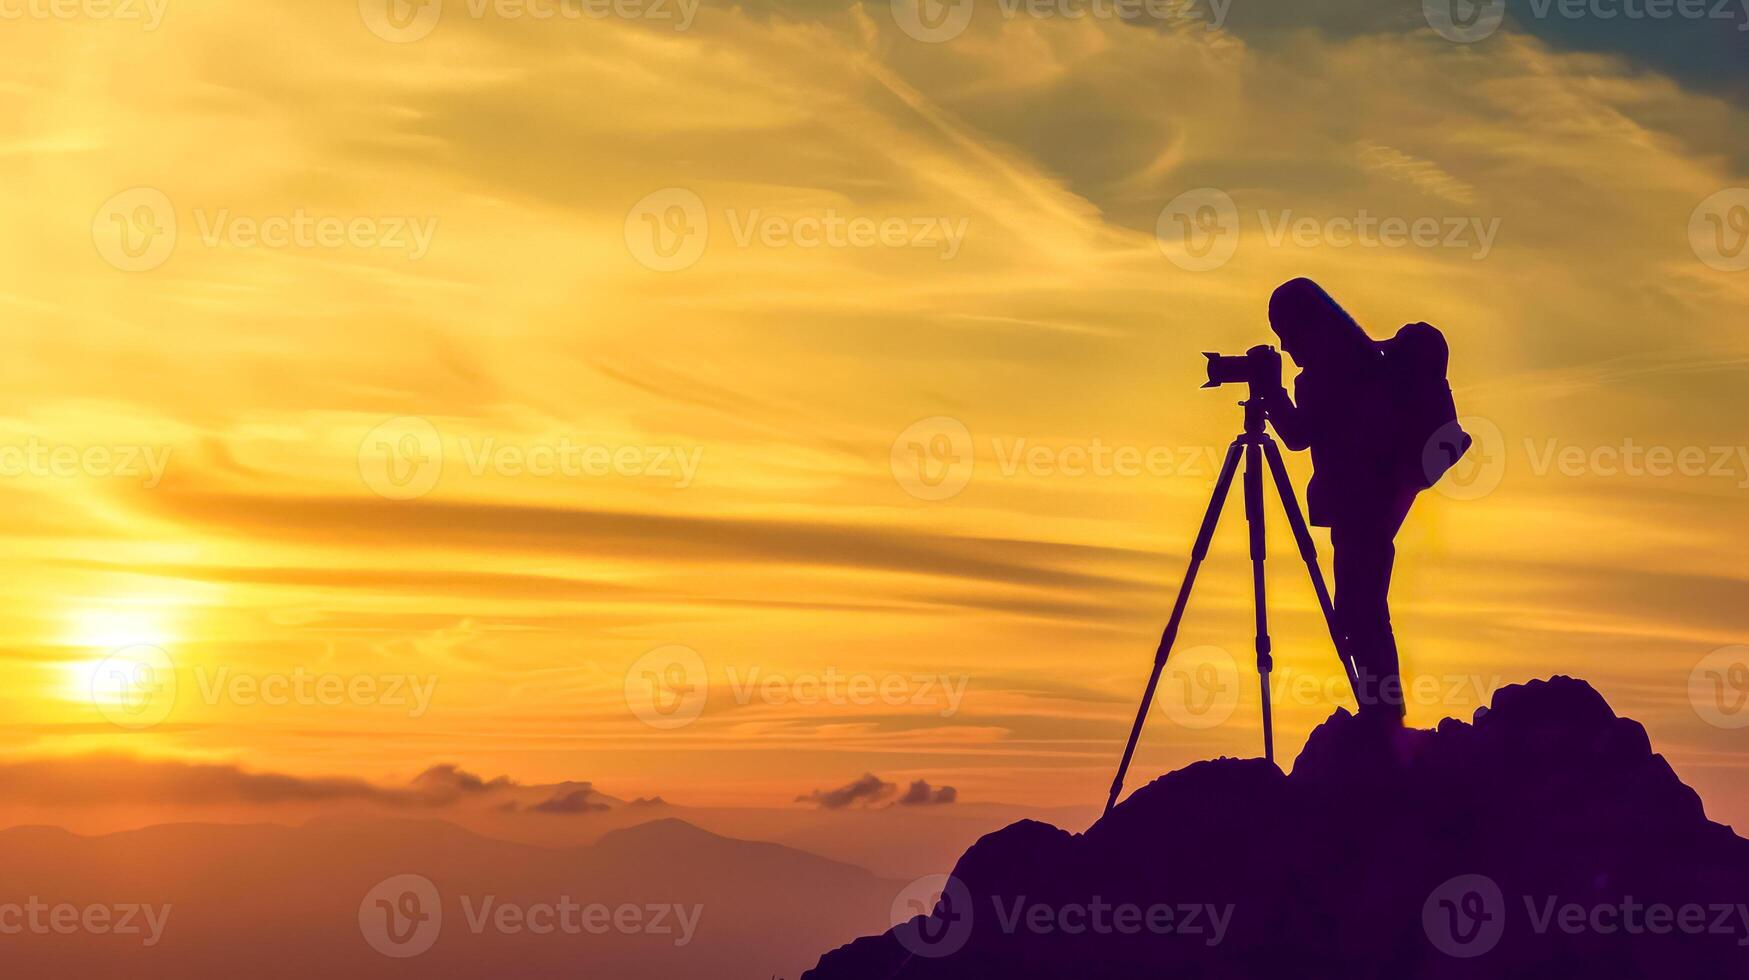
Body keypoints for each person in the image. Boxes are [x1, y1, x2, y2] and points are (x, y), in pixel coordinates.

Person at [1251, 278, 1418, 723]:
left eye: (1288, 335)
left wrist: (1272, 391)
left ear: (1311, 325)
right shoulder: (1359, 362)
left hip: (1361, 510)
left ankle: (1383, 719)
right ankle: (1383, 714)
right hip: (1372, 508)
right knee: (1362, 613)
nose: (1286, 349)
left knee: (1360, 615)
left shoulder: (1332, 372)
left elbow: (1298, 436)